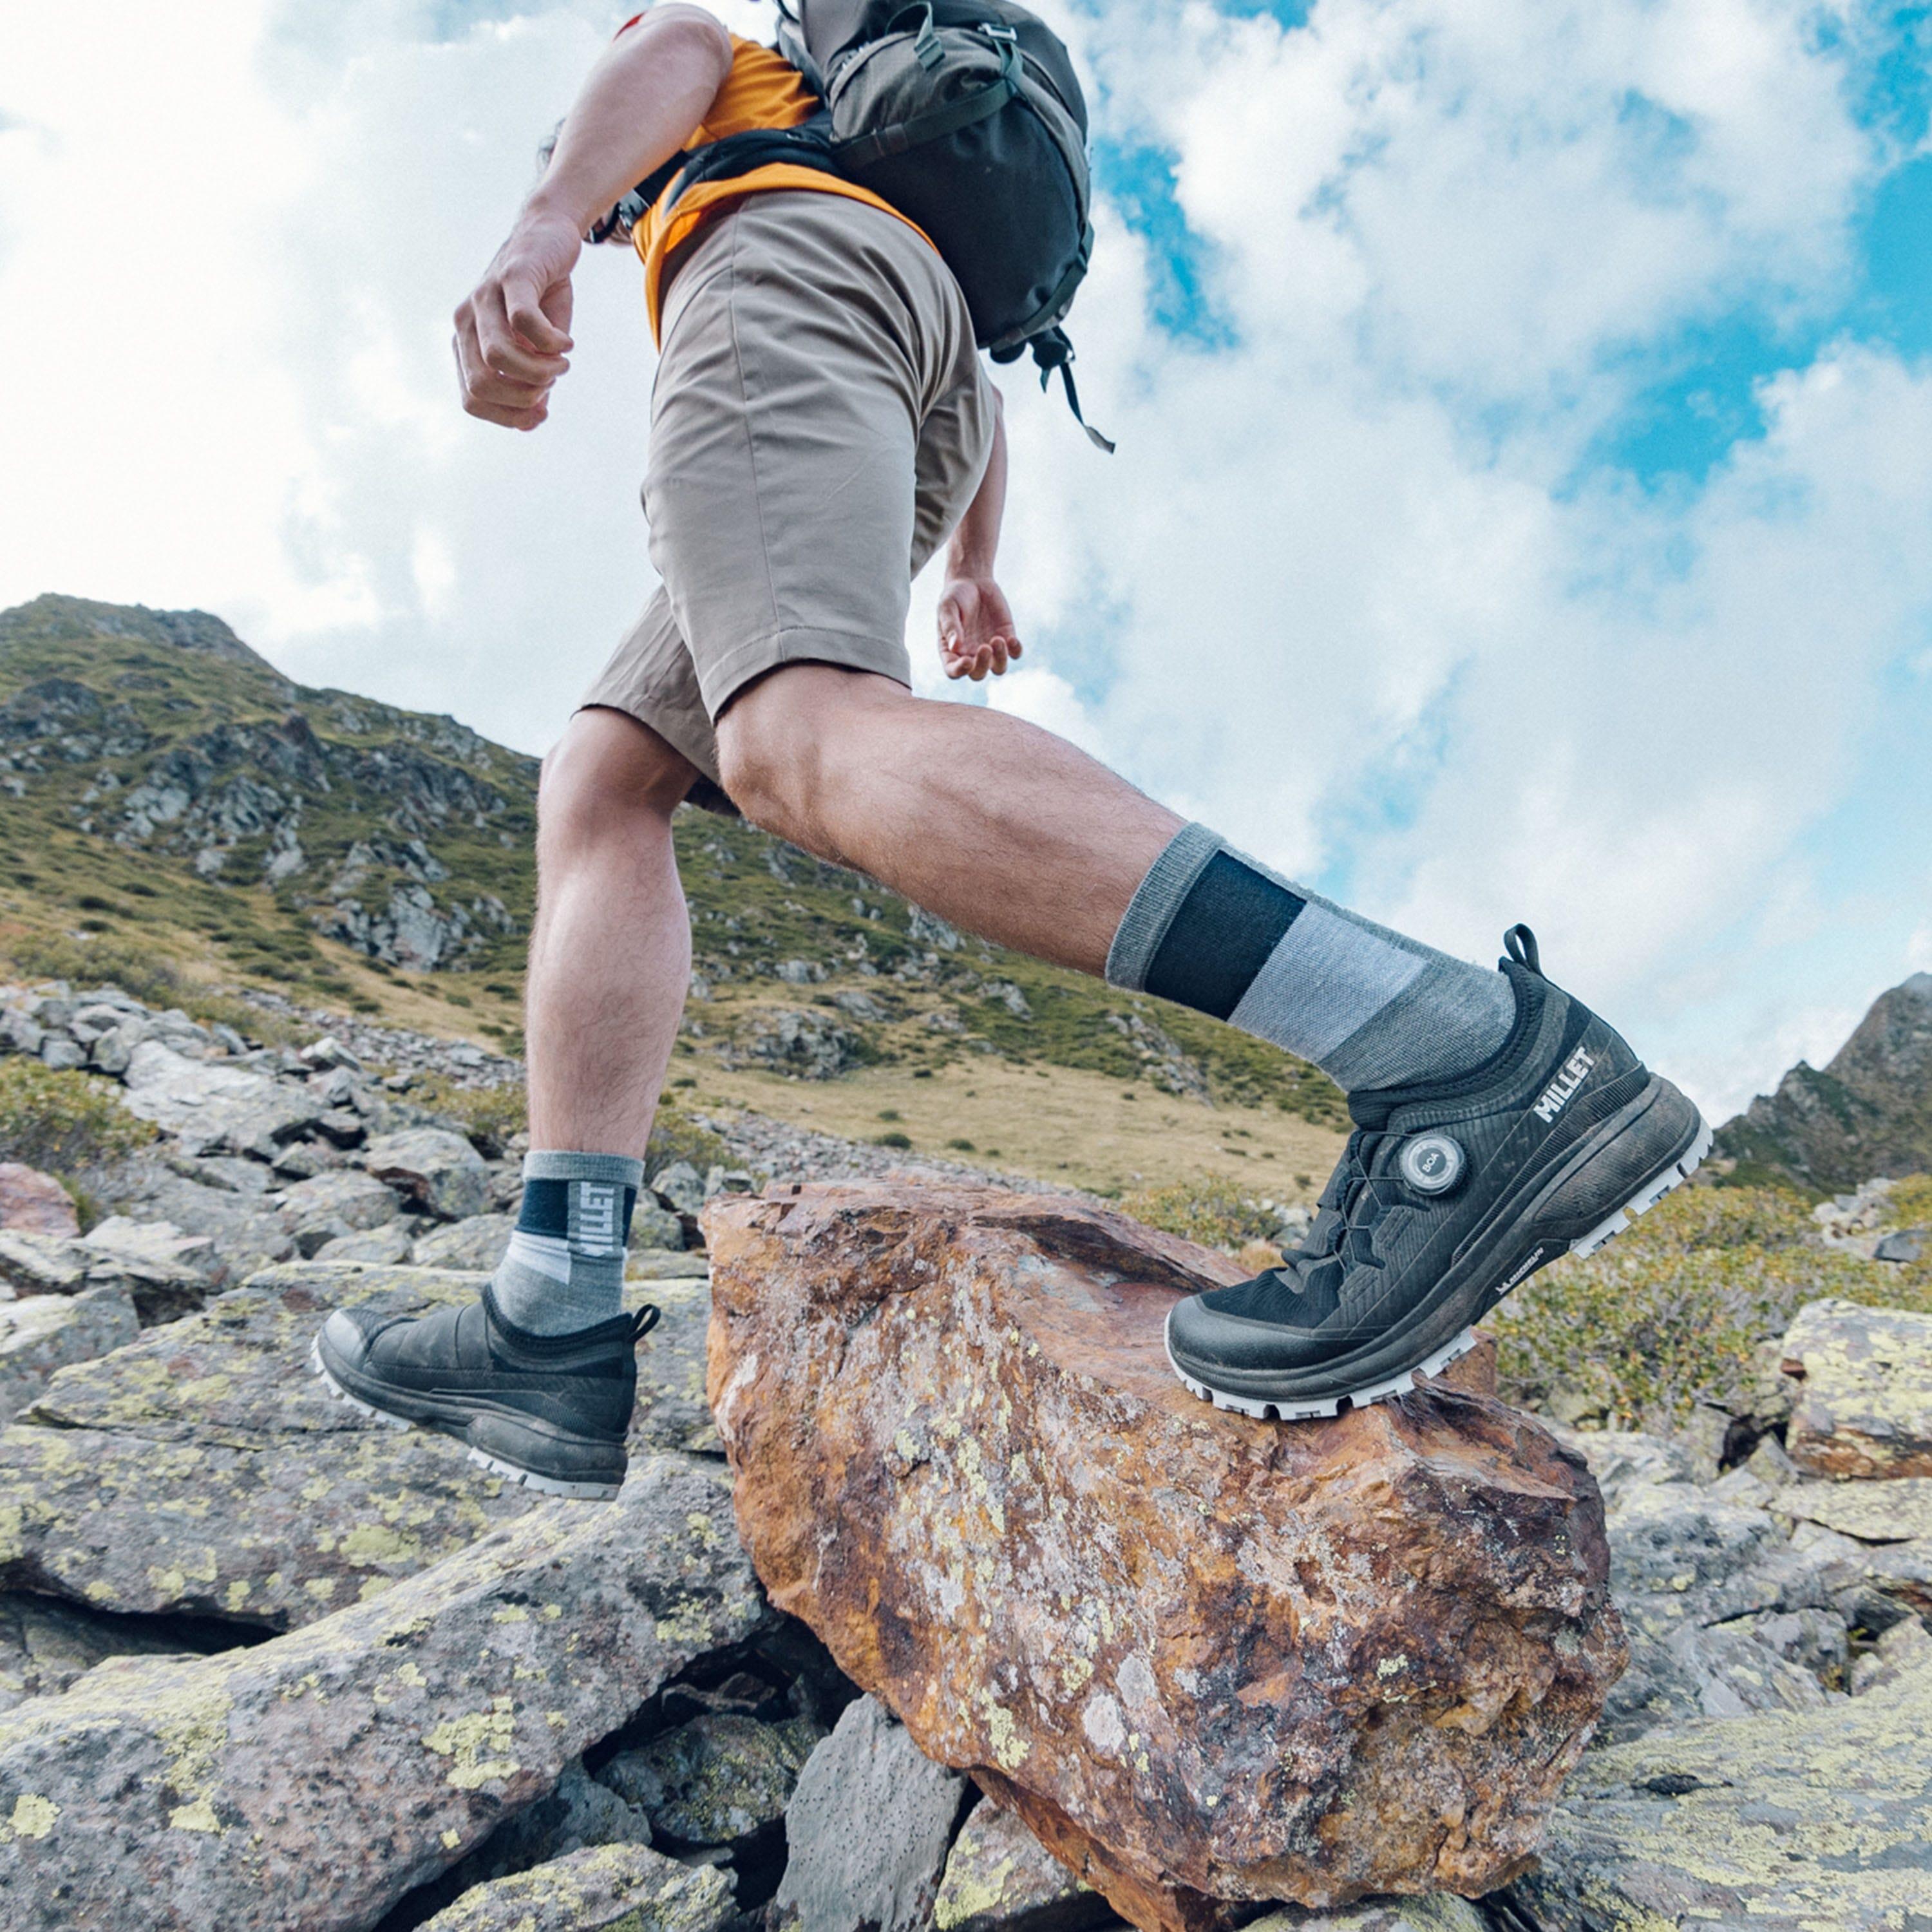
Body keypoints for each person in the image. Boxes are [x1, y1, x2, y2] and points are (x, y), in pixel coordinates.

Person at [314, 3, 1710, 1496]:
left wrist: (541, 217)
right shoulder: (863, 160)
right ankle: (557, 1310)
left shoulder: (704, 77)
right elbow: (973, 384)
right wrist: (973, 559)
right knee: (607, 775)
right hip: (912, 351)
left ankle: (1464, 1054)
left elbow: (677, 42)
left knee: (799, 735)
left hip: (784, 284)